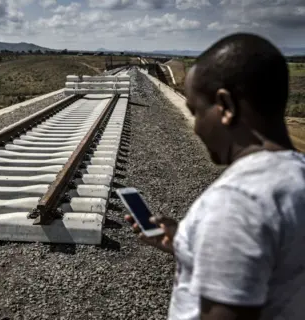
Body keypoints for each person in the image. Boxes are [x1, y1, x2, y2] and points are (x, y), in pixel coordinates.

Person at [126, 33, 305, 320]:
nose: (196, 128)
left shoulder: (236, 202)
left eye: (196, 112)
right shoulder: (296, 176)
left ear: (226, 106)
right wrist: (186, 241)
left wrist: (217, 230)